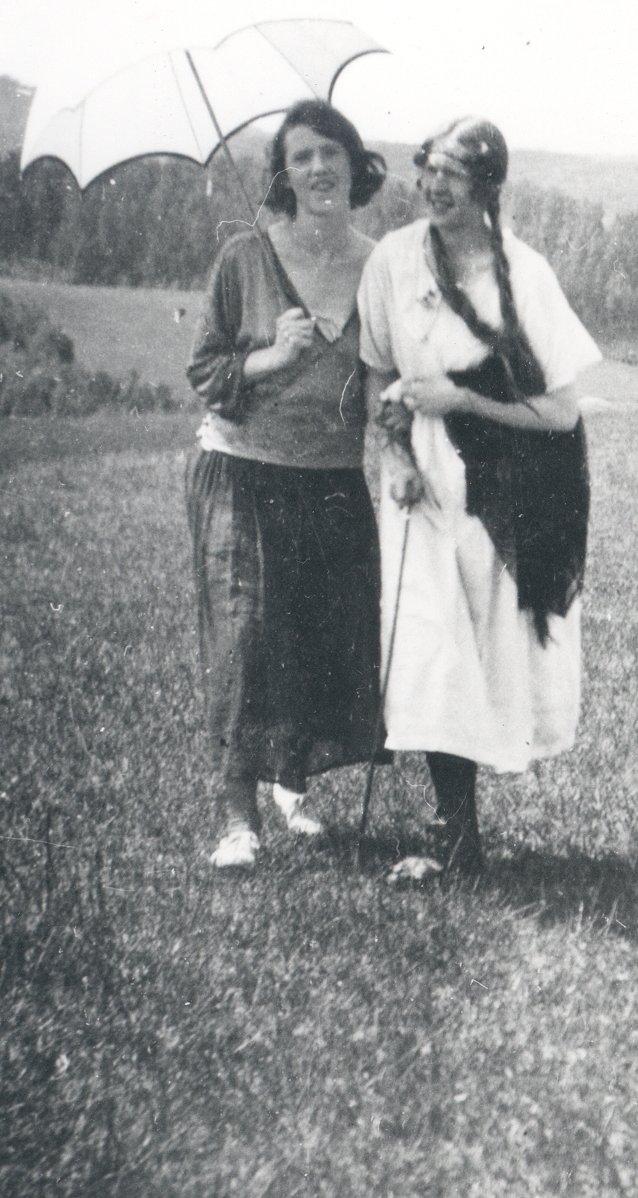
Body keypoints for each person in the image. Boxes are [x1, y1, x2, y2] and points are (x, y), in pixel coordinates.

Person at [357, 116, 599, 878]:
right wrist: (393, 451)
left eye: (455, 174)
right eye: (430, 167)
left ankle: (459, 831)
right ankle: (453, 832)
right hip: (421, 485)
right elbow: (375, 371)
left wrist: (461, 403)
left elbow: (561, 410)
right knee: (431, 651)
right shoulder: (394, 261)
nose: (435, 185)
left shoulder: (524, 274)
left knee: (488, 654)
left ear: (487, 188)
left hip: (503, 493)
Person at [186, 100, 388, 869]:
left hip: (332, 478)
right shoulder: (245, 258)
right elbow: (206, 372)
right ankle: (239, 819)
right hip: (241, 472)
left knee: (317, 639)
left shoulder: (378, 264)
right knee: (247, 638)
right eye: (301, 157)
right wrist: (272, 357)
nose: (318, 168)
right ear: (282, 176)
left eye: (331, 152)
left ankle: (290, 787)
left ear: (356, 163)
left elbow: (383, 369)